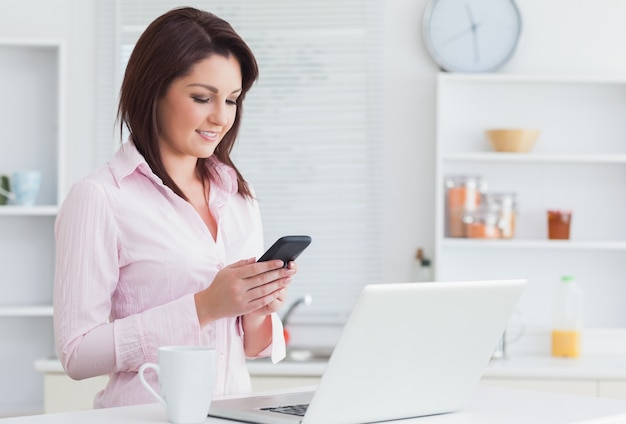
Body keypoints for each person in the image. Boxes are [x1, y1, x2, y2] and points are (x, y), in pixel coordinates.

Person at [53, 7, 295, 408]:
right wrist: (204, 306)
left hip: (235, 416)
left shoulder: (238, 197)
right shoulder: (100, 198)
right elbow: (77, 353)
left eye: (232, 100)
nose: (221, 117)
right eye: (202, 97)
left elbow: (248, 345)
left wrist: (257, 303)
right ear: (154, 90)